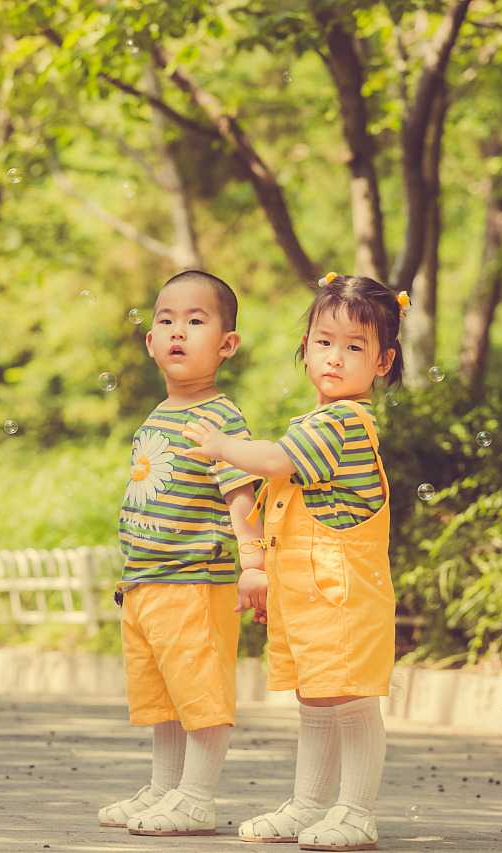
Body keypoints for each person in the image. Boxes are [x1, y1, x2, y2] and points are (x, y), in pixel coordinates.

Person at [183, 272, 408, 851]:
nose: (335, 357)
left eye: (355, 347)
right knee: (316, 697)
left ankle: (355, 811)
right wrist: (259, 569)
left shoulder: (344, 424)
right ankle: (309, 805)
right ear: (305, 348)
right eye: (324, 342)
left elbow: (276, 460)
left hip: (343, 596)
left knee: (351, 698)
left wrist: (224, 447)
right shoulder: (316, 421)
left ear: (383, 363)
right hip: (311, 594)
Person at [98, 269, 267, 837]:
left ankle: (196, 797)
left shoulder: (218, 417)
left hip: (196, 578)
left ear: (226, 344)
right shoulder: (159, 414)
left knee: (200, 692)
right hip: (147, 582)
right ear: (149, 343)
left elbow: (241, 493)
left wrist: (253, 564)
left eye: (196, 321)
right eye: (166, 320)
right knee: (164, 695)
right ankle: (165, 788)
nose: (178, 331)